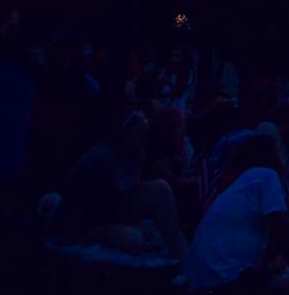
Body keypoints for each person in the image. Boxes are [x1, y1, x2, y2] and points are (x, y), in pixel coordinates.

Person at [57, 110, 190, 262]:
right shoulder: (101, 157)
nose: (143, 140)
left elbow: (130, 191)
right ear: (127, 133)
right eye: (140, 135)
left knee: (161, 189)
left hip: (113, 212)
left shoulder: (135, 153)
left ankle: (180, 254)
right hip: (87, 222)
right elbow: (88, 203)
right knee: (135, 239)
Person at [184, 132, 289, 292]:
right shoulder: (265, 175)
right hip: (225, 283)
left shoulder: (240, 186)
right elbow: (285, 229)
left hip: (205, 281)